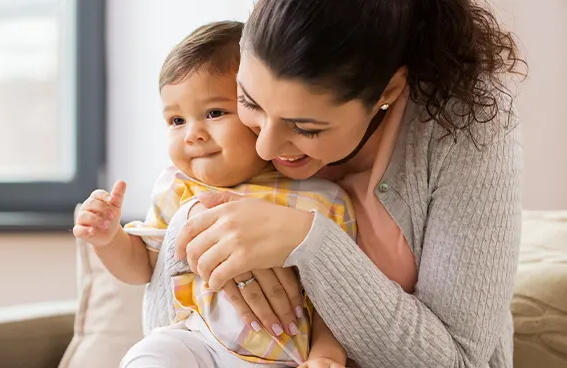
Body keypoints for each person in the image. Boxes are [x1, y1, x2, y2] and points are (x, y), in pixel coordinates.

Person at [168, 0, 526, 367]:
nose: (265, 145)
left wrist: (311, 244)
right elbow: (162, 328)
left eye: (305, 128)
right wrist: (200, 225)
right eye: (249, 102)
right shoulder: (230, 82)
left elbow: (460, 361)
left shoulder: (469, 124)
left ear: (387, 92)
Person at [73, 21, 354, 368]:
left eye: (214, 113)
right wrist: (108, 238)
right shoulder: (177, 189)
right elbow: (143, 266)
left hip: (281, 358)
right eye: (176, 121)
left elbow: (339, 300)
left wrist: (326, 355)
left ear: (260, 112)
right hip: (193, 342)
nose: (192, 134)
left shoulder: (323, 200)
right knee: (150, 355)